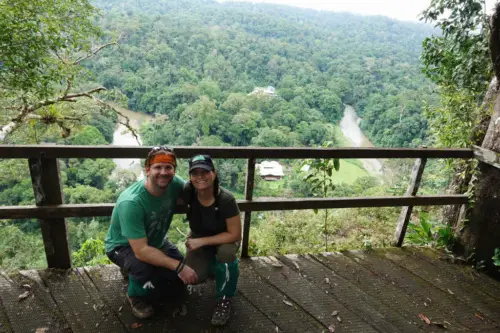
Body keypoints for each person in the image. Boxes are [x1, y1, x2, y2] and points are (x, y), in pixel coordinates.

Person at [105, 146, 198, 319]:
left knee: (178, 282)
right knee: (146, 272)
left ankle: (134, 272)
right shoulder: (132, 202)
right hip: (123, 246)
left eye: (168, 167)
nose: (163, 172)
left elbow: (198, 196)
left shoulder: (175, 184)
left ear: (174, 170)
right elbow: (141, 251)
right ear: (147, 170)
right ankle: (135, 295)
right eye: (157, 167)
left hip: (157, 241)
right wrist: (180, 267)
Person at [183, 154, 242, 326]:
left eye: (205, 172)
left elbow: (235, 234)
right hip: (199, 238)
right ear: (190, 176)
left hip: (226, 240)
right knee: (195, 277)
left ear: (214, 174)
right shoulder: (189, 192)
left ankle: (225, 297)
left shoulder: (226, 199)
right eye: (195, 173)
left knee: (226, 254)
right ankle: (217, 269)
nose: (200, 177)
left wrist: (201, 242)